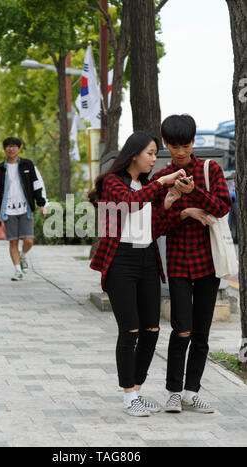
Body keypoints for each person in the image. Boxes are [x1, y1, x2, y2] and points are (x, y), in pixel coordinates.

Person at [89, 131, 188, 417]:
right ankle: (129, 397)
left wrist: (168, 202)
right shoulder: (112, 183)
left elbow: (157, 227)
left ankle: (138, 389)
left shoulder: (146, 185)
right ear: (133, 154)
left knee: (152, 329)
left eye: (156, 154)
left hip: (147, 259)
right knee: (129, 330)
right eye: (150, 153)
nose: (154, 159)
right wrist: (162, 182)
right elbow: (131, 202)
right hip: (120, 261)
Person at [151, 114, 232, 414]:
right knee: (180, 329)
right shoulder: (162, 179)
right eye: (174, 146)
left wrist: (193, 194)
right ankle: (173, 391)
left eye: (185, 145)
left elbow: (223, 207)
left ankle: (191, 391)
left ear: (193, 142)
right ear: (165, 144)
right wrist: (181, 212)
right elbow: (157, 226)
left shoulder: (210, 170)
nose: (180, 152)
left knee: (201, 333)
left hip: (208, 262)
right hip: (178, 262)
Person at [0, 137, 48, 281]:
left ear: (19, 148)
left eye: (14, 146)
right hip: (8, 210)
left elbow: (36, 185)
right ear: (5, 149)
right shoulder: (0, 169)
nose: (11, 149)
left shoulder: (27, 165)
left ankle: (23, 256)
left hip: (25, 208)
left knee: (29, 241)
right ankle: (18, 270)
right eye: (8, 146)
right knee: (14, 241)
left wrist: (42, 204)